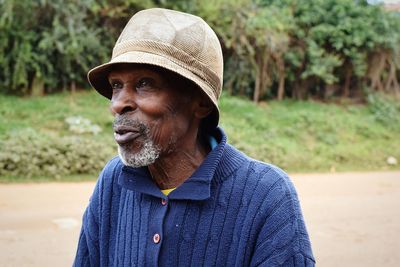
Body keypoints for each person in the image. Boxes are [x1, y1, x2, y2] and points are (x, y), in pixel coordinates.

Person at [74, 8, 315, 267]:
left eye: (144, 83)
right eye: (116, 86)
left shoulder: (266, 194)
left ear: (200, 104)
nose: (118, 104)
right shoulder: (114, 181)